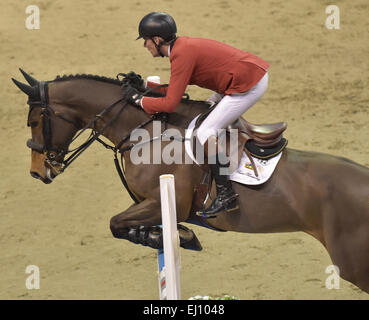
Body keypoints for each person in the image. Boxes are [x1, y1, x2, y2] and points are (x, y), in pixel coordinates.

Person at [125, 12, 270, 218]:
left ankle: (226, 194)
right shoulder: (181, 48)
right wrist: (144, 86)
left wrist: (139, 101)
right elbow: (175, 90)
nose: (145, 46)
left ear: (157, 40)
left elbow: (170, 103)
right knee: (206, 111)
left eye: (146, 41)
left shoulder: (181, 54)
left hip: (246, 84)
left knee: (205, 132)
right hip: (237, 79)